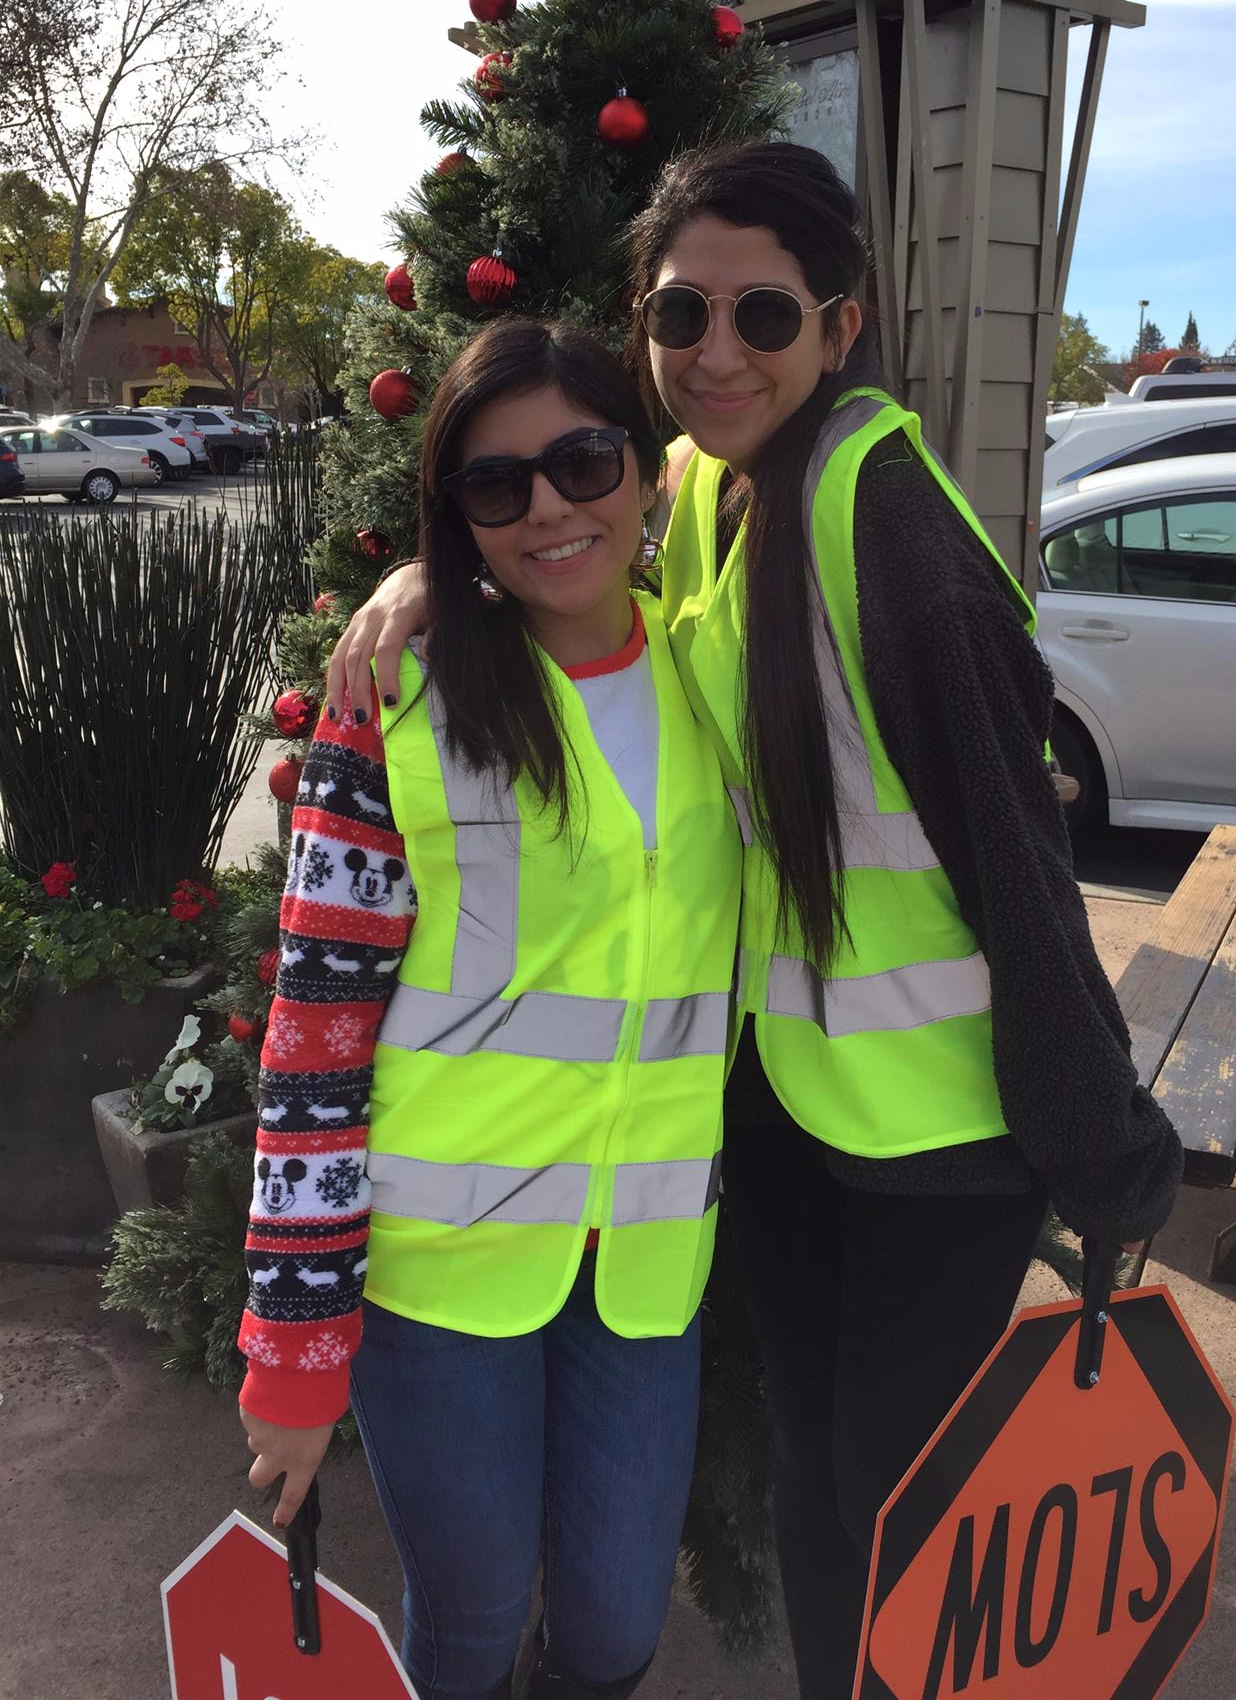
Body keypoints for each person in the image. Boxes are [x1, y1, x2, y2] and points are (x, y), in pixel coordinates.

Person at [329, 143, 1183, 1696]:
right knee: (818, 1499)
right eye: (681, 314)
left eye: (765, 317)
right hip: (797, 1127)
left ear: (841, 329)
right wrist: (422, 580)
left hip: (946, 1146)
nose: (716, 354)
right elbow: (556, 543)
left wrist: (1106, 1154)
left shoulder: (899, 545)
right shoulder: (719, 487)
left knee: (896, 1533)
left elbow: (1024, 872)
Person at [236, 318, 742, 1700]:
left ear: (644, 468)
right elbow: (314, 1042)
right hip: (439, 1274)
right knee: (462, 1631)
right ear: (454, 517)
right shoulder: (398, 698)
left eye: (584, 462)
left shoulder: (721, 672)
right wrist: (293, 1349)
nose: (550, 509)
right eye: (494, 486)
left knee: (615, 1631)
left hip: (645, 1269)